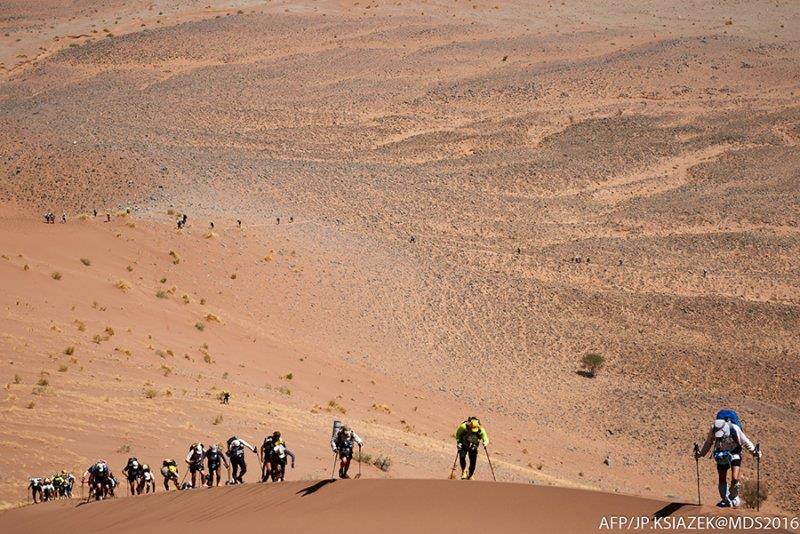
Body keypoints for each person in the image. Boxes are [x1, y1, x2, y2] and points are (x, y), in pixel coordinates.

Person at [695, 410, 760, 508]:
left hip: (735, 452)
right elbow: (709, 442)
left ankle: (733, 497)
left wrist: (755, 452)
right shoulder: (714, 428)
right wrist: (701, 454)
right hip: (721, 454)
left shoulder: (734, 428)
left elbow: (746, 442)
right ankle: (725, 499)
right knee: (722, 478)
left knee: (735, 478)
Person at [455, 416, 489, 480]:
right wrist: (458, 442)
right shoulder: (463, 427)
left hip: (473, 446)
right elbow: (458, 435)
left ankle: (470, 475)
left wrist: (485, 442)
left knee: (473, 463)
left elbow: (485, 437)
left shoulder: (481, 429)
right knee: (462, 457)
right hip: (463, 444)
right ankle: (464, 471)